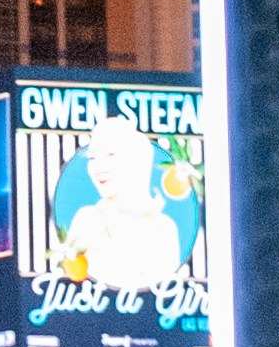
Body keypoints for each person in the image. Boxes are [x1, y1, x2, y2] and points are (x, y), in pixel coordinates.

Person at [55, 115, 185, 291]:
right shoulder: (89, 220)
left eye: (111, 154)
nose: (99, 166)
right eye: (92, 157)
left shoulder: (165, 228)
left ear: (138, 159)